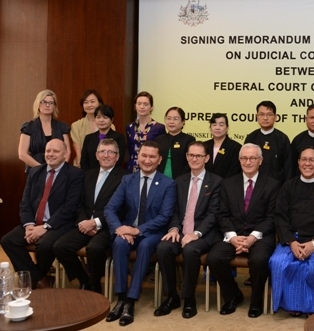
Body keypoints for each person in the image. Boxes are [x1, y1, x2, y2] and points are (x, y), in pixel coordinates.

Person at [104, 141, 176, 326]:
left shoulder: (168, 183)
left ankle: (130, 301)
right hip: (127, 230)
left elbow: (165, 216)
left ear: (159, 160)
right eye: (144, 155)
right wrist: (119, 229)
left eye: (152, 156)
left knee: (144, 246)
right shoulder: (128, 180)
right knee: (119, 243)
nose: (147, 160)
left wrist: (137, 230)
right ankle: (120, 297)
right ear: (138, 157)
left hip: (151, 232)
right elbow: (110, 208)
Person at [207, 143, 278, 318]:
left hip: (260, 236)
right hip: (234, 235)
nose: (248, 162)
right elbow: (222, 215)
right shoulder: (228, 183)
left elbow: (272, 217)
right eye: (244, 158)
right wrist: (232, 237)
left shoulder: (272, 184)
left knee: (260, 260)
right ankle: (233, 296)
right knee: (214, 258)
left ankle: (256, 301)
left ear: (260, 161)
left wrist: (253, 237)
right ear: (239, 160)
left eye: (252, 158)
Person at [1, 139, 84, 288]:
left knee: (45, 244)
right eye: (48, 151)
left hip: (59, 224)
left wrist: (45, 227)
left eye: (56, 151)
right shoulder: (35, 172)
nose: (50, 154)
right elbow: (25, 202)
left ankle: (33, 279)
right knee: (8, 240)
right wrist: (29, 226)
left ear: (65, 154)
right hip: (33, 223)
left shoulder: (75, 174)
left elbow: (69, 208)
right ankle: (39, 279)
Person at [269, 147, 314, 316]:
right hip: (291, 239)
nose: (307, 163)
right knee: (277, 262)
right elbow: (280, 218)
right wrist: (291, 242)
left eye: (312, 160)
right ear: (298, 162)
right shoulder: (287, 187)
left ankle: (309, 306)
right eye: (304, 160)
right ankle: (291, 305)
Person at [155, 141, 222, 319]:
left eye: (199, 156)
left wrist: (195, 234)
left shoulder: (216, 182)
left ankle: (189, 298)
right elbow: (174, 210)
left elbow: (214, 214)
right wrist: (175, 228)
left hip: (204, 234)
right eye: (191, 155)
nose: (194, 159)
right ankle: (172, 296)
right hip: (181, 231)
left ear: (206, 158)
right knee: (163, 248)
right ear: (186, 157)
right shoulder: (179, 181)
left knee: (191, 251)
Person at [53, 138, 126, 293]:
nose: (106, 155)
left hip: (108, 226)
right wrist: (83, 222)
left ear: (117, 156)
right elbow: (78, 203)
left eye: (111, 152)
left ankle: (95, 284)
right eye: (102, 152)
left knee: (94, 249)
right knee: (60, 246)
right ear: (96, 155)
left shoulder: (125, 178)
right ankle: (84, 280)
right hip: (84, 223)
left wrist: (96, 223)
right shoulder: (87, 175)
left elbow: (122, 208)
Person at [18, 89, 71, 173]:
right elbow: (22, 154)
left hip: (58, 171)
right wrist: (42, 169)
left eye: (51, 103)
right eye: (44, 102)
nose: (47, 105)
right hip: (35, 170)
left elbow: (67, 151)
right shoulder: (28, 127)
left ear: (54, 106)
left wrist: (60, 169)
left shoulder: (62, 127)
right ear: (38, 105)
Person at [244, 101, 292, 185]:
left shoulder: (282, 139)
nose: (265, 118)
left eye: (269, 114)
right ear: (257, 117)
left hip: (277, 187)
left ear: (275, 117)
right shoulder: (251, 137)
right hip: (254, 186)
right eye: (261, 114)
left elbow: (288, 167)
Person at [125, 91, 166, 172]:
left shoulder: (159, 127)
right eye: (139, 104)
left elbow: (161, 151)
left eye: (145, 104)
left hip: (151, 167)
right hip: (131, 168)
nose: (142, 107)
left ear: (151, 107)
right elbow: (129, 149)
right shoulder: (130, 127)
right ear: (135, 106)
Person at [70, 90, 111, 168]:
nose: (89, 105)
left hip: (105, 165)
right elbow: (78, 153)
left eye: (92, 101)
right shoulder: (76, 125)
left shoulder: (110, 126)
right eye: (86, 102)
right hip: (82, 165)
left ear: (100, 103)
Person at [80, 105, 126, 171]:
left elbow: (118, 161)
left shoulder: (119, 137)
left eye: (105, 117)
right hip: (90, 176)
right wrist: (89, 176)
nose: (101, 120)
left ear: (112, 120)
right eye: (98, 117)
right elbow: (84, 162)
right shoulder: (89, 138)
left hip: (112, 176)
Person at [156, 107, 196, 179]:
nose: (171, 122)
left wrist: (180, 178)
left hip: (182, 180)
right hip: (159, 180)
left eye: (175, 119)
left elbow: (191, 162)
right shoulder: (159, 139)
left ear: (183, 121)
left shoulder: (189, 139)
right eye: (168, 118)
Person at [205, 113, 242, 179]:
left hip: (226, 186)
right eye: (214, 125)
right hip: (205, 186)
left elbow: (234, 171)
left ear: (227, 128)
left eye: (221, 125)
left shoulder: (235, 147)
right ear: (210, 128)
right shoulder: (204, 146)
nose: (217, 128)